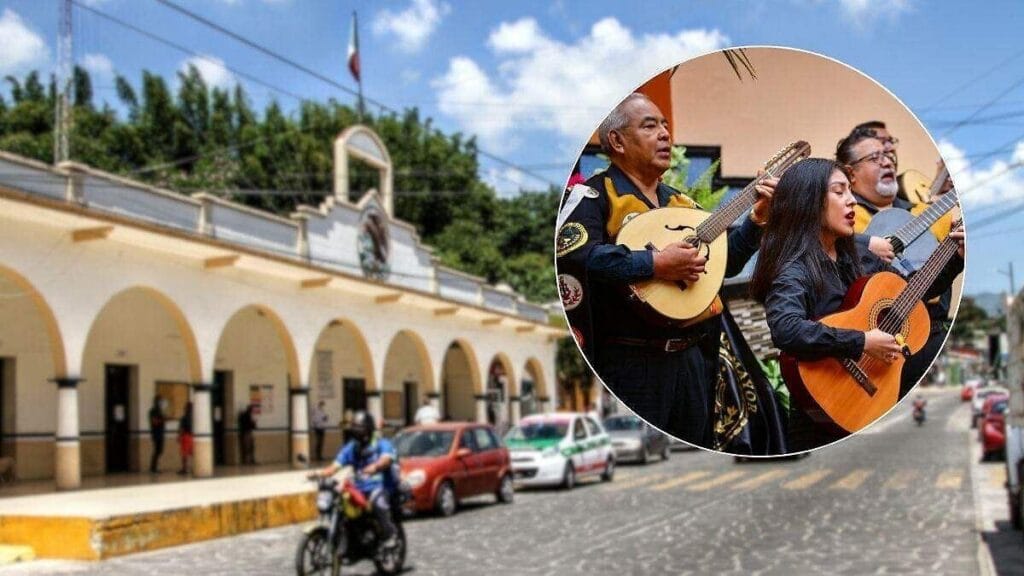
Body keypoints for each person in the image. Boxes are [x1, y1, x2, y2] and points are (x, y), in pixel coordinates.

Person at [555, 92, 775, 447]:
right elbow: (578, 258)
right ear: (617, 141)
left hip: (693, 362)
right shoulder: (594, 196)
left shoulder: (682, 204)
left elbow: (725, 263)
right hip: (631, 365)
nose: (664, 134)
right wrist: (655, 263)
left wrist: (757, 220)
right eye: (650, 125)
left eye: (665, 125)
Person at [749, 158, 964, 451]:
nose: (851, 201)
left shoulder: (856, 256)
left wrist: (955, 256)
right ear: (808, 202)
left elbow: (911, 292)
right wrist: (861, 341)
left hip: (870, 405)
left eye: (850, 190)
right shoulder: (793, 269)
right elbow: (787, 330)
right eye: (839, 192)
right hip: (819, 417)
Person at [836, 128, 956, 397]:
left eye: (889, 155)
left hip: (930, 336)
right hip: (867, 345)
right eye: (875, 157)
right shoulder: (841, 218)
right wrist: (866, 245)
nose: (888, 161)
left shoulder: (920, 212)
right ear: (850, 173)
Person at [310, 411, 399, 549]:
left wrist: (375, 467)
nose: (357, 432)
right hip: (359, 488)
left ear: (368, 429)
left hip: (380, 486)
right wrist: (319, 473)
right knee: (339, 501)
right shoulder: (352, 447)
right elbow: (335, 466)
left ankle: (389, 535)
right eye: (355, 428)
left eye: (360, 429)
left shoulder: (381, 443)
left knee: (378, 502)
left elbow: (386, 459)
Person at [149, 395, 166, 474]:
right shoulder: (153, 411)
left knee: (160, 450)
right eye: (160, 401)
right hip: (156, 434)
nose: (161, 403)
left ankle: (155, 467)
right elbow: (154, 422)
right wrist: (162, 420)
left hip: (161, 433)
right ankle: (153, 468)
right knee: (157, 450)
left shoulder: (160, 411)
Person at [178, 401, 193, 475]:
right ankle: (195, 467)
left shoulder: (184, 418)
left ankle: (184, 469)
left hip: (186, 436)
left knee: (184, 454)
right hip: (193, 437)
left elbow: (182, 429)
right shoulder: (194, 418)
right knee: (192, 453)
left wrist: (179, 436)